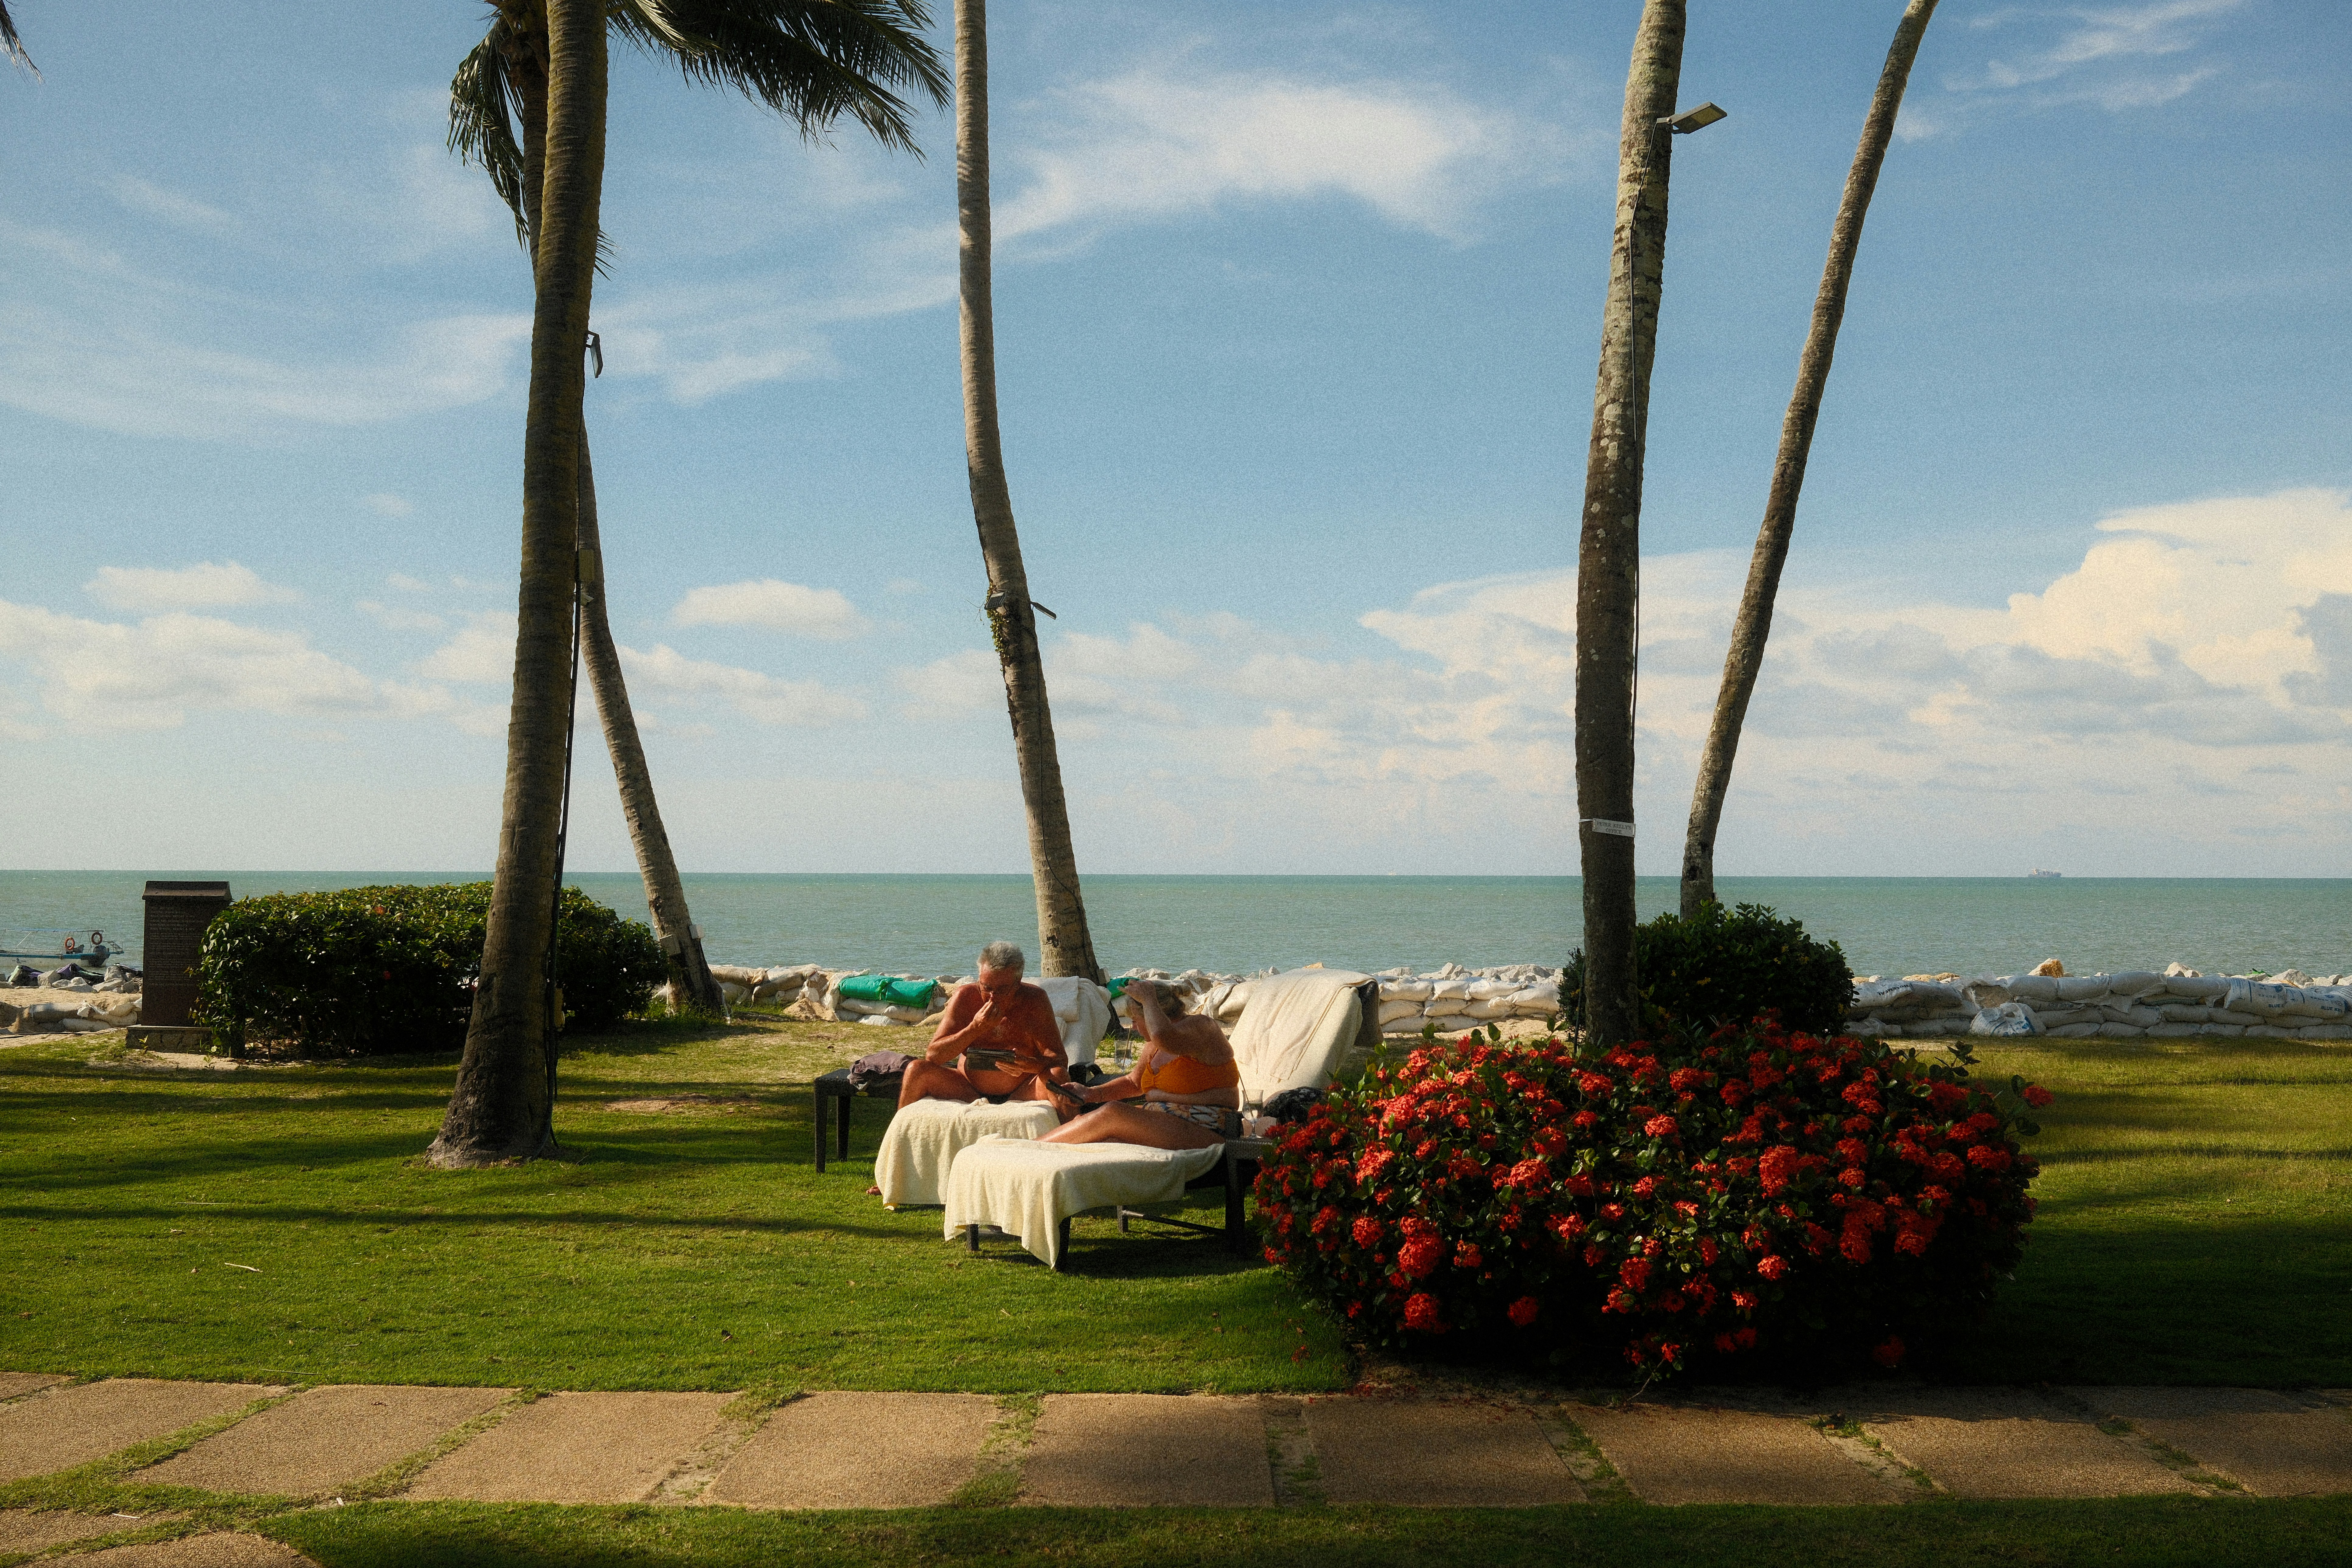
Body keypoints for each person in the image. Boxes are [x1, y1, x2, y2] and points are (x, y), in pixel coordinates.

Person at [1039, 979, 1240, 1148]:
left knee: (1113, 1113)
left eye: (1135, 1020)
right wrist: (1091, 1093)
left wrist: (1149, 999)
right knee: (1097, 1136)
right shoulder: (1154, 1045)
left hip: (1206, 1127)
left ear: (1154, 1014)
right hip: (1165, 1124)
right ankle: (1042, 1159)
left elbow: (1164, 1036)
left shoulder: (1201, 1027)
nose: (1133, 1028)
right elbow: (1134, 1084)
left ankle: (1033, 1148)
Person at [897, 941, 1070, 1109]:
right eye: (986, 988)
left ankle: (1071, 1137)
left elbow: (1060, 1061)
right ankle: (898, 1136)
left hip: (1022, 1091)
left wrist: (1030, 1065)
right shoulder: (966, 997)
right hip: (967, 1088)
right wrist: (974, 1029)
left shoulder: (1034, 1000)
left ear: (1018, 983)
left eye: (1002, 990)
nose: (993, 997)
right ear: (979, 981)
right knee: (916, 1070)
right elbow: (934, 1056)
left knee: (1058, 1076)